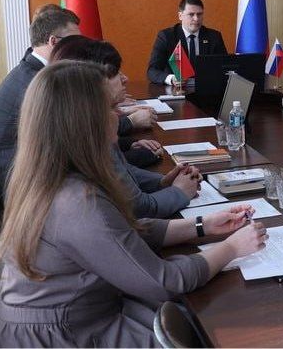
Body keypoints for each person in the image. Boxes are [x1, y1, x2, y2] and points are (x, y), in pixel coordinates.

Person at [0, 60, 266, 347]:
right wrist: (232, 248)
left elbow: (123, 233)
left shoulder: (48, 176)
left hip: (72, 315)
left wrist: (202, 225)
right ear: (85, 122)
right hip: (64, 336)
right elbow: (164, 282)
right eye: (110, 107)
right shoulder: (78, 203)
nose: (119, 113)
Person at [52, 36, 200, 218]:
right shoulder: (90, 133)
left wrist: (163, 182)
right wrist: (180, 192)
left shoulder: (88, 122)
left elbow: (125, 171)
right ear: (92, 80)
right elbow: (139, 208)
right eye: (115, 72)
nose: (125, 78)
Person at [0, 5, 79, 200]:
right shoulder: (36, 81)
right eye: (74, 42)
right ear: (53, 41)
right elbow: (69, 133)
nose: (79, 48)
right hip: (13, 181)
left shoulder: (32, 68)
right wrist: (127, 122)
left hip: (21, 168)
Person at [147, 0, 227, 85]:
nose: (196, 19)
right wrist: (172, 79)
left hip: (206, 88)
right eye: (191, 14)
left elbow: (224, 67)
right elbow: (152, 71)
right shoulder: (167, 36)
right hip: (176, 89)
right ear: (180, 16)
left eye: (199, 14)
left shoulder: (214, 37)